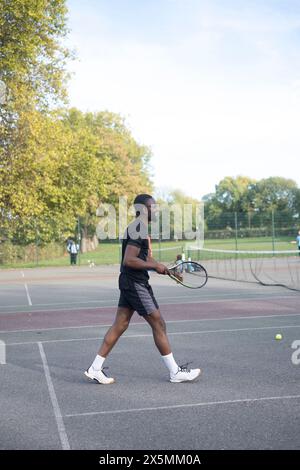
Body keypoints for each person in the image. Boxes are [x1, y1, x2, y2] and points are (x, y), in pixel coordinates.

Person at [85, 194, 201, 384]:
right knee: (159, 323)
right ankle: (175, 372)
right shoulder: (138, 228)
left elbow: (144, 258)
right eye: (152, 207)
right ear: (142, 209)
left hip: (130, 282)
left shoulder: (140, 228)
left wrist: (166, 270)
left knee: (120, 325)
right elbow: (129, 260)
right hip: (135, 284)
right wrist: (155, 267)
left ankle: (95, 368)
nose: (155, 210)